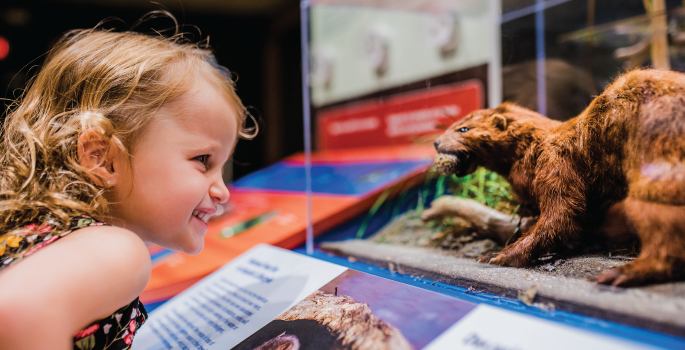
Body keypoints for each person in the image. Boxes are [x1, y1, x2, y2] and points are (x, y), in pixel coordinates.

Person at [0, 18, 256, 349]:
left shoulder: (34, 230)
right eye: (203, 160)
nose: (222, 191)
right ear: (102, 158)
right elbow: (17, 312)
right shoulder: (116, 250)